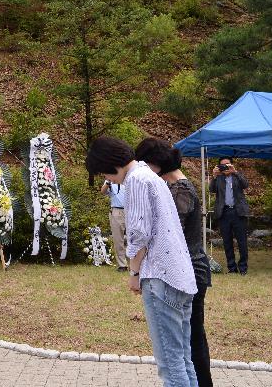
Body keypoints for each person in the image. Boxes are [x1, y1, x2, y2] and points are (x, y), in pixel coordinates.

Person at [86, 136, 197, 387]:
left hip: (161, 278)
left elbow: (138, 234)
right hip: (181, 276)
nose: (108, 179)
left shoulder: (135, 180)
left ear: (111, 163)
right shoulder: (150, 176)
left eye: (105, 172)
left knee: (170, 365)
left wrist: (134, 274)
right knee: (183, 360)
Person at [136, 137, 212, 387]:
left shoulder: (180, 190)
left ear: (154, 164)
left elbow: (169, 234)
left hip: (188, 268)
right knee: (188, 341)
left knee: (190, 341)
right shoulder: (178, 187)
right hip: (187, 268)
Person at [209, 157, 249, 274]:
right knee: (227, 242)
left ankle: (243, 268)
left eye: (227, 164)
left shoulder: (237, 176)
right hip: (224, 213)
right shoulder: (219, 178)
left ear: (231, 165)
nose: (225, 167)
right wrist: (214, 176)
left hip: (238, 212)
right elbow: (211, 190)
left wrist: (235, 172)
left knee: (242, 241)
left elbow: (245, 184)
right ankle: (232, 268)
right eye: (223, 165)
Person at [100, 179, 128, 271]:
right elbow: (102, 191)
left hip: (131, 210)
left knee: (136, 237)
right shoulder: (110, 179)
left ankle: (138, 263)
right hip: (117, 210)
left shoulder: (130, 177)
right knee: (118, 239)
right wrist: (108, 182)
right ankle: (122, 265)